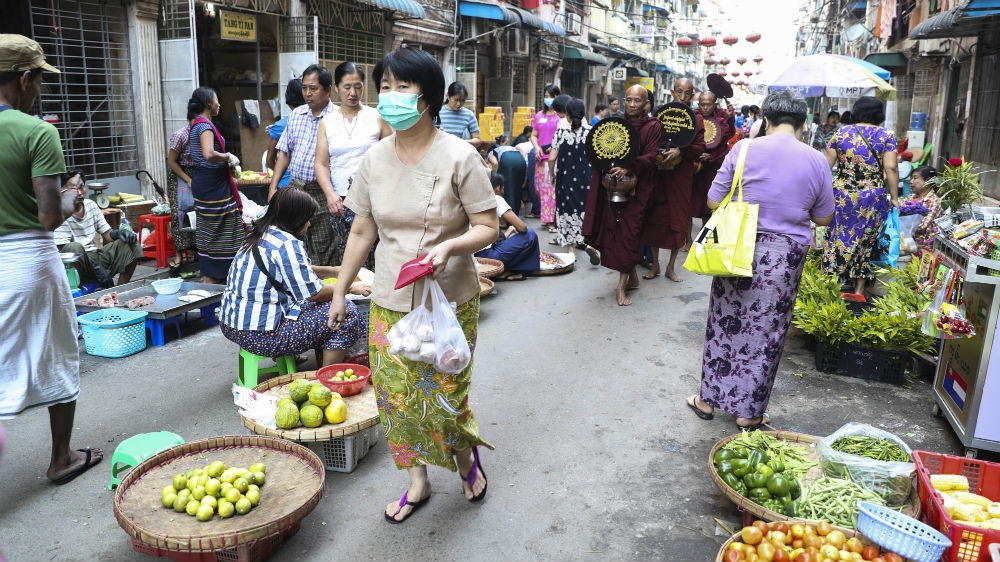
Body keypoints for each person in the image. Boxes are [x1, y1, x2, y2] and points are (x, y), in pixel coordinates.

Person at [328, 48, 497, 523]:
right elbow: (363, 230)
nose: (389, 96)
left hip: (449, 299)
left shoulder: (460, 156)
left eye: (402, 87)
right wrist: (340, 291)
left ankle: (465, 457)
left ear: (428, 97)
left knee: (445, 393)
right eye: (384, 86)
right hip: (390, 298)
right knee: (396, 397)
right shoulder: (375, 159)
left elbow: (488, 226)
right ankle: (417, 481)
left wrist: (450, 247)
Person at [685, 90, 835, 430]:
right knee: (768, 330)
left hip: (736, 246)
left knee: (725, 320)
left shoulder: (744, 148)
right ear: (803, 124)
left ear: (765, 120)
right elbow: (824, 218)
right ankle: (748, 413)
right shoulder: (816, 160)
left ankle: (708, 401)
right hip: (784, 257)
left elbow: (712, 201)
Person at [0, 33, 104, 484]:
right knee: (60, 352)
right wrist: (70, 195)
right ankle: (60, 458)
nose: (40, 88)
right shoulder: (37, 131)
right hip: (28, 261)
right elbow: (48, 217)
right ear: (23, 79)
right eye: (39, 78)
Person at [219, 187, 368, 367]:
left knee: (303, 304)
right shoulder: (287, 244)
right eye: (308, 220)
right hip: (259, 335)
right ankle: (328, 375)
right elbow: (315, 293)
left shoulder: (261, 234)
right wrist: (350, 288)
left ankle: (291, 356)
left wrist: (334, 271)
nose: (309, 225)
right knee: (346, 312)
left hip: (232, 325)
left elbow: (295, 270)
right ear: (296, 219)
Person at [582, 84, 662, 306]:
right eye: (629, 100)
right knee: (614, 231)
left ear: (646, 103)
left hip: (639, 189)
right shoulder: (616, 124)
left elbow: (652, 155)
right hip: (612, 187)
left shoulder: (653, 126)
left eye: (638, 100)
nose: (633, 104)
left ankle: (620, 285)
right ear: (623, 101)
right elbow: (600, 149)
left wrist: (629, 167)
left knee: (630, 233)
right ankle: (631, 277)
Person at [315, 61, 392, 269]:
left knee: (378, 254)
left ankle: (379, 298)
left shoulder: (377, 117)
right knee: (349, 254)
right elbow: (321, 164)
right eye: (347, 87)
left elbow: (393, 156)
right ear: (337, 88)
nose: (353, 92)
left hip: (374, 199)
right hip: (341, 202)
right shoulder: (327, 122)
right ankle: (353, 297)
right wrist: (330, 195)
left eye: (358, 86)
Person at [823, 96, 899, 294]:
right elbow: (890, 167)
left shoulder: (840, 133)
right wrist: (895, 197)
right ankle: (858, 291)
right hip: (872, 197)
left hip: (842, 195)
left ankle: (831, 286)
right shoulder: (886, 135)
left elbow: (825, 167)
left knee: (837, 238)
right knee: (866, 241)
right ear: (879, 114)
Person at [268, 64, 338, 267]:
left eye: (313, 88)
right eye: (305, 88)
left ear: (327, 89)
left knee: (322, 244)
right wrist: (273, 188)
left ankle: (320, 292)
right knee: (293, 243)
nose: (308, 93)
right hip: (296, 189)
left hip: (322, 191)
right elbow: (284, 154)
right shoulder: (297, 114)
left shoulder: (337, 118)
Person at [642, 79, 705, 283]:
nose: (683, 97)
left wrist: (681, 150)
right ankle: (656, 265)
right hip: (660, 174)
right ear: (672, 92)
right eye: (679, 92)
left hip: (681, 176)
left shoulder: (695, 119)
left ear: (692, 95)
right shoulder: (661, 114)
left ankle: (671, 267)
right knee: (655, 219)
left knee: (677, 219)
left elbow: (700, 147)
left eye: (687, 93)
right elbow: (650, 139)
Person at [188, 86, 245, 284]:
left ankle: (210, 276)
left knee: (209, 230)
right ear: (208, 104)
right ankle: (227, 275)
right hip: (213, 186)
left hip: (206, 183)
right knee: (228, 227)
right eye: (217, 100)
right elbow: (208, 154)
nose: (219, 103)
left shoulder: (197, 124)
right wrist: (228, 157)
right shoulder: (204, 126)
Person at [54, 170, 143, 287]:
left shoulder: (91, 205)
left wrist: (119, 233)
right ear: (63, 191)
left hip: (96, 255)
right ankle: (81, 289)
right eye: (73, 189)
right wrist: (97, 269)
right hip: (77, 262)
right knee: (73, 247)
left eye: (81, 187)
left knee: (130, 242)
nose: (79, 192)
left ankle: (120, 291)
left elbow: (107, 234)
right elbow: (64, 250)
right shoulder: (60, 211)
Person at [549, 97, 596, 255]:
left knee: (566, 209)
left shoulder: (561, 132)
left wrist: (551, 174)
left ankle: (570, 250)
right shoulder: (590, 132)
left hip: (565, 180)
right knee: (585, 209)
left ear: (567, 115)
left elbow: (551, 158)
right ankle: (588, 244)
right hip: (586, 179)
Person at [476, 172, 540, 280]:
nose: (503, 191)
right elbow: (522, 227)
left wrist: (509, 230)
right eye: (503, 188)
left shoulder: (474, 198)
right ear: (497, 188)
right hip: (487, 256)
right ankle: (511, 270)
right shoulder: (495, 198)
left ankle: (501, 271)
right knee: (530, 235)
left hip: (472, 256)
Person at [691, 90, 736, 223]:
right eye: (702, 105)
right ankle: (687, 240)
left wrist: (711, 157)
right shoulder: (693, 117)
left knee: (709, 207)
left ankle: (704, 239)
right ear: (698, 104)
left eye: (708, 105)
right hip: (695, 167)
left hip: (713, 169)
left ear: (714, 105)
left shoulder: (721, 118)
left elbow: (725, 143)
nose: (705, 108)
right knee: (689, 206)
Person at [531, 84, 562, 233]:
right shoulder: (539, 115)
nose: (548, 99)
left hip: (555, 159)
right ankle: (547, 217)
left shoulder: (561, 117)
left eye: (551, 96)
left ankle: (552, 221)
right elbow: (533, 135)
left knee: (551, 189)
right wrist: (536, 147)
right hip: (540, 159)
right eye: (546, 96)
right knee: (541, 189)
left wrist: (555, 146)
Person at [265, 78, 305, 190]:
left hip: (284, 185)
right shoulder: (318, 121)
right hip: (309, 185)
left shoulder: (281, 125)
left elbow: (269, 160)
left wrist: (281, 174)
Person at [166, 116, 195, 243]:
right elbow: (171, 161)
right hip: (179, 173)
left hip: (196, 173)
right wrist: (187, 179)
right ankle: (179, 254)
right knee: (179, 212)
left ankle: (195, 250)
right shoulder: (180, 135)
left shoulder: (204, 135)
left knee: (196, 211)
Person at [904, 165, 942, 252]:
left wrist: (901, 226)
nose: (911, 181)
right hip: (904, 244)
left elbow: (923, 226)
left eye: (915, 178)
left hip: (921, 248)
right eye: (911, 178)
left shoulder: (933, 201)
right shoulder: (910, 198)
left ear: (928, 180)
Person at [488, 135, 528, 215]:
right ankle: (515, 215)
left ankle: (508, 220)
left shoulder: (491, 152)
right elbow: (522, 151)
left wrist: (493, 178)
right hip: (521, 160)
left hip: (508, 161)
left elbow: (495, 163)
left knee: (507, 189)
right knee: (517, 188)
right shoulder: (509, 147)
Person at [438, 81, 482, 146]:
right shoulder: (438, 112)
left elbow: (478, 139)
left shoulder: (469, 115)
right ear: (448, 96)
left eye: (462, 100)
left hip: (461, 153)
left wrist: (464, 142)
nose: (458, 104)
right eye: (456, 100)